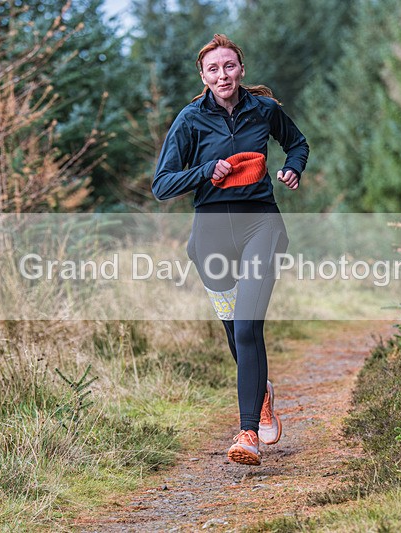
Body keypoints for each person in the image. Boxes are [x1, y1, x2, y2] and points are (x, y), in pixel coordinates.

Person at [152, 34, 309, 466]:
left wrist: (292, 167)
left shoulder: (264, 110)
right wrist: (205, 170)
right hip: (211, 237)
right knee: (232, 329)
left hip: (261, 224)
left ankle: (248, 434)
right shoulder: (189, 120)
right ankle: (261, 391)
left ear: (241, 69)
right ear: (203, 76)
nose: (223, 75)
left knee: (246, 328)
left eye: (230, 66)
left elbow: (297, 143)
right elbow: (161, 184)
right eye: (214, 69)